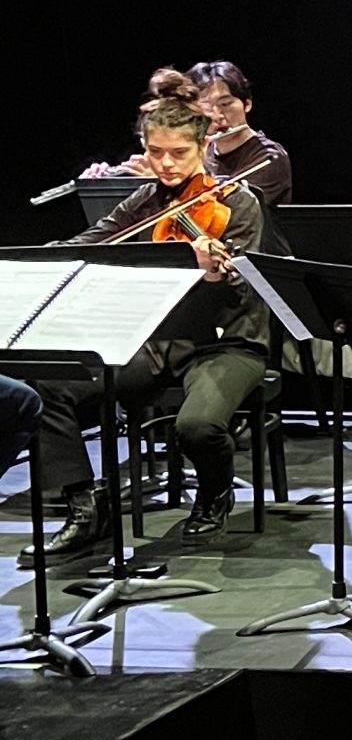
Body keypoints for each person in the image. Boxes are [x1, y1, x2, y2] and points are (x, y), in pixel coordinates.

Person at [25, 95, 274, 564]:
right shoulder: (145, 201)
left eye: (178, 153)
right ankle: (85, 507)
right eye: (155, 152)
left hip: (227, 344)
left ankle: (215, 494)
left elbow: (244, 288)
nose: (166, 164)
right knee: (49, 385)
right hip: (156, 342)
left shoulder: (237, 204)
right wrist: (47, 257)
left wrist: (214, 273)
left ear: (202, 147)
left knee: (197, 426)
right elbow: (94, 239)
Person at [187, 61, 294, 208]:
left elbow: (237, 211)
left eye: (225, 104)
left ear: (247, 104)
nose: (217, 115)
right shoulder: (202, 152)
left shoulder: (269, 157)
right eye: (206, 107)